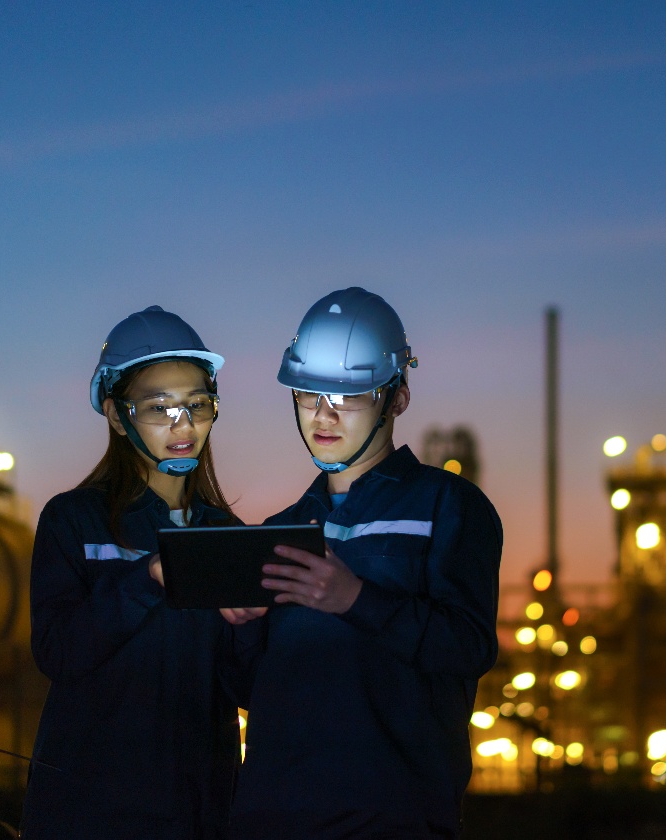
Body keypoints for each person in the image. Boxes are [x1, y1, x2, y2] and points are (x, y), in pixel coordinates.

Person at [227, 287, 503, 839]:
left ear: (397, 398)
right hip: (274, 819)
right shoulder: (280, 530)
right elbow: (248, 691)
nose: (323, 416)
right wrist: (241, 627)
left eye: (348, 396)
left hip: (393, 818)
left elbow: (468, 648)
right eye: (309, 395)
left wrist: (356, 600)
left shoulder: (447, 507)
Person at [21, 306, 251, 839]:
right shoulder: (73, 520)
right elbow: (58, 652)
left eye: (197, 404)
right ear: (115, 414)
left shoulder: (225, 534)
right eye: (158, 407)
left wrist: (257, 626)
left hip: (201, 812)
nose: (184, 424)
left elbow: (247, 687)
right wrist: (147, 577)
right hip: (90, 812)